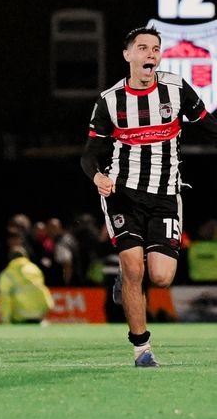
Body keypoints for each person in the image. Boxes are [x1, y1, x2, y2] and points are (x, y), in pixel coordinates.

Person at [81, 27, 217, 366]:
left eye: (155, 48)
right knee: (132, 266)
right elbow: (89, 155)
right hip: (122, 192)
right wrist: (98, 176)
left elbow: (208, 124)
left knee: (160, 276)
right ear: (128, 55)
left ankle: (125, 282)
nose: (151, 54)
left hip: (166, 194)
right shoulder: (109, 101)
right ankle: (142, 349)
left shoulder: (175, 89)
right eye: (142, 48)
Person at [0, 246, 53, 324]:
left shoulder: (7, 274)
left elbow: (5, 299)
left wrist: (5, 320)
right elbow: (43, 290)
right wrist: (48, 306)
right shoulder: (35, 269)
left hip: (19, 318)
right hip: (39, 315)